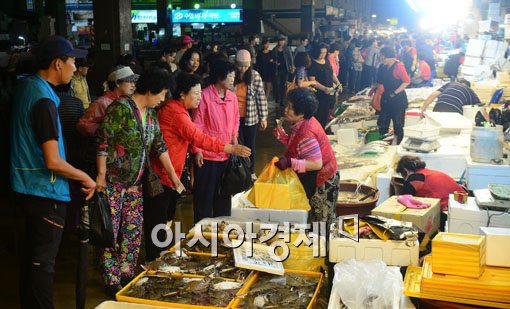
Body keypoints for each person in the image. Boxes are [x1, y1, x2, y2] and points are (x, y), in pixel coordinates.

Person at [10, 35, 95, 309]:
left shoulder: (27, 87)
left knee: (32, 262)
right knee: (43, 266)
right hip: (44, 192)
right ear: (58, 64)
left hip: (26, 188)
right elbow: (53, 161)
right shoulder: (43, 100)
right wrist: (84, 177)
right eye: (72, 61)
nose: (75, 67)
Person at [144, 73, 251, 261]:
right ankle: (154, 261)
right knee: (158, 220)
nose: (200, 98)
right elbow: (197, 137)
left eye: (201, 94)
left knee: (164, 219)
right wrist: (229, 147)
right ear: (182, 95)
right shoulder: (175, 112)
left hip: (170, 174)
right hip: (162, 175)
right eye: (196, 94)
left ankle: (159, 256)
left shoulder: (179, 109)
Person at [96, 68, 183, 295]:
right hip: (113, 184)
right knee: (111, 233)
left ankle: (127, 272)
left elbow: (160, 146)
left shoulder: (151, 115)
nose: (163, 99)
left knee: (132, 231)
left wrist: (174, 178)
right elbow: (103, 143)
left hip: (135, 185)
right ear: (151, 90)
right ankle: (111, 278)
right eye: (162, 94)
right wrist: (101, 176)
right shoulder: (120, 109)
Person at [273, 87, 339, 225]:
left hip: (323, 180)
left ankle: (322, 245)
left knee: (321, 221)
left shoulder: (307, 133)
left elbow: (316, 164)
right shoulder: (302, 122)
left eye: (291, 108)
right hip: (316, 175)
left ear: (302, 113)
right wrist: (284, 137)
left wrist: (290, 162)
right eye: (287, 105)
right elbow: (299, 146)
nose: (286, 109)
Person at [192, 60, 239, 223]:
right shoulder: (204, 96)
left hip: (226, 156)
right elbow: (196, 126)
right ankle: (200, 237)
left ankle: (222, 235)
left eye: (234, 75)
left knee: (224, 198)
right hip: (207, 158)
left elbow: (235, 121)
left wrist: (234, 138)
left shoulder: (232, 97)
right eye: (230, 75)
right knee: (204, 199)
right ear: (219, 76)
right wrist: (197, 150)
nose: (233, 78)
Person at [397, 155, 466, 230]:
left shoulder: (414, 179)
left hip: (448, 212)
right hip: (463, 204)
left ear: (405, 170)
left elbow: (403, 201)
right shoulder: (429, 172)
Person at [234, 49, 268, 176]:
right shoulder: (231, 76)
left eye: (246, 66)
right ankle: (236, 171)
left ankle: (250, 170)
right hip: (233, 118)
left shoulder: (255, 76)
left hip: (250, 117)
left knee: (249, 145)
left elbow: (261, 97)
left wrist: (263, 117)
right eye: (240, 65)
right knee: (235, 144)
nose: (243, 69)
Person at [376, 47, 410, 144]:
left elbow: (407, 81)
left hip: (398, 100)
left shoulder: (398, 66)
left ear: (386, 56)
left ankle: (398, 146)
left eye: (381, 55)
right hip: (386, 98)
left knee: (398, 125)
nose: (380, 57)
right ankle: (383, 144)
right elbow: (379, 83)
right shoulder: (382, 67)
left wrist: (395, 92)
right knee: (383, 123)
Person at [308, 43, 338, 128]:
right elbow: (312, 80)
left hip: (329, 93)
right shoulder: (313, 63)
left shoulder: (327, 61)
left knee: (325, 114)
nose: (322, 55)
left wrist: (337, 83)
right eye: (321, 53)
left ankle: (322, 131)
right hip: (318, 94)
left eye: (325, 53)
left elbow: (332, 73)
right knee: (318, 115)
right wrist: (324, 88)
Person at [272, 35, 294, 114]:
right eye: (280, 40)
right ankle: (278, 97)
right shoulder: (274, 49)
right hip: (277, 70)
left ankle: (281, 100)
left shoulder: (286, 49)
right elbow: (272, 59)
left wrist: (292, 67)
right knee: (277, 84)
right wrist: (275, 62)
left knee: (283, 85)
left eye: (282, 40)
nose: (281, 42)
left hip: (285, 70)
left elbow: (290, 58)